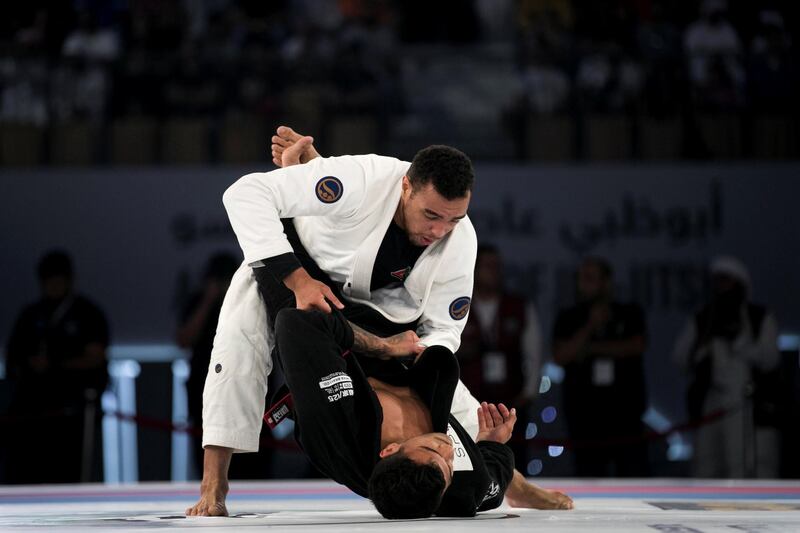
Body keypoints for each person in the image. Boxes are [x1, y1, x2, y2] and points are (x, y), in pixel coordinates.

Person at [186, 126, 572, 516]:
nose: (440, 231)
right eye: (432, 215)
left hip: (355, 303)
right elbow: (243, 194)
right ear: (406, 187)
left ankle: (514, 484)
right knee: (240, 340)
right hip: (301, 265)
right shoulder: (368, 179)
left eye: (454, 219)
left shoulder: (460, 237)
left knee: (441, 388)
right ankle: (214, 484)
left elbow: (444, 325)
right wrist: (299, 278)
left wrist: (414, 357)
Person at [270, 303, 516, 518]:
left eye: (430, 449)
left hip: (341, 322)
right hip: (406, 326)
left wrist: (382, 346)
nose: (447, 448)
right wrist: (492, 444)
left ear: (389, 450)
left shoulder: (337, 427)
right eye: (450, 467)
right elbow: (490, 489)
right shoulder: (458, 489)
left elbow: (296, 321)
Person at [5, 250, 109, 483]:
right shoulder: (31, 315)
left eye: (58, 280)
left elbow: (95, 356)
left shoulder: (87, 314)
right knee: (28, 474)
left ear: (69, 280)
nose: (53, 286)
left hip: (72, 412)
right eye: (48, 281)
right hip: (31, 411)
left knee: (69, 473)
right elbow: (13, 357)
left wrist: (55, 365)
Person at [672, 256, 780, 478]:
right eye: (717, 281)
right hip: (713, 399)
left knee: (741, 462)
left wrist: (739, 341)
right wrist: (703, 351)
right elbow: (679, 359)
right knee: (705, 464)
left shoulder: (759, 317)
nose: (721, 287)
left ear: (739, 283)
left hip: (745, 399)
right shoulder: (704, 318)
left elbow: (770, 359)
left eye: (726, 280)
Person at [553, 256, 649, 477]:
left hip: (625, 411)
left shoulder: (629, 312)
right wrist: (590, 325)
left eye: (591, 278)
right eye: (581, 278)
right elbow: (561, 355)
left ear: (606, 282)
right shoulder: (569, 317)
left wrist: (591, 349)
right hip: (585, 413)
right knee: (589, 473)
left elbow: (637, 345)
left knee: (632, 473)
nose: (584, 284)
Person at [457, 244, 543, 471]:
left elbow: (533, 352)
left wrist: (529, 392)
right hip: (470, 398)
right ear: (474, 269)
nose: (493, 271)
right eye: (487, 266)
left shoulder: (519, 306)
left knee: (517, 457)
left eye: (497, 266)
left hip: (511, 398)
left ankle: (520, 496)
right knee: (472, 458)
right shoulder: (457, 304)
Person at [176, 251, 239, 476]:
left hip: (242, 389)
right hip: (203, 392)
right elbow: (183, 339)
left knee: (249, 464)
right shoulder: (198, 302)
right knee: (206, 459)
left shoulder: (247, 304)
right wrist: (208, 299)